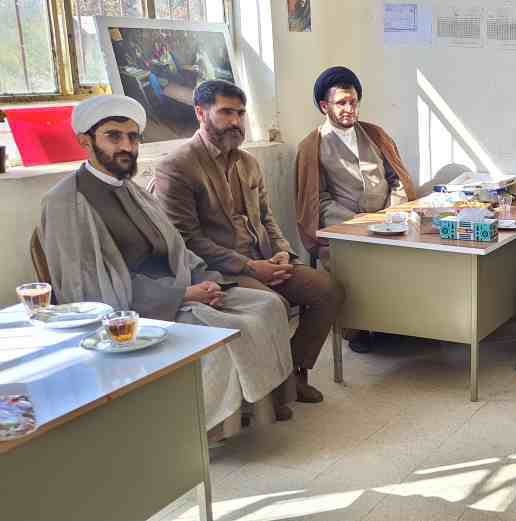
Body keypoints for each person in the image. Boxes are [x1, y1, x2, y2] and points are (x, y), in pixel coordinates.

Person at [38, 95, 296, 428]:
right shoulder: (65, 202)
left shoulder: (132, 190)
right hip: (134, 308)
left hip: (182, 286)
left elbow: (176, 248)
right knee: (228, 330)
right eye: (113, 136)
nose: (126, 146)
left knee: (267, 305)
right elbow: (85, 287)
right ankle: (209, 427)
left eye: (133, 137)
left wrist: (205, 280)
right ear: (84, 141)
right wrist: (182, 295)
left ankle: (256, 403)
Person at [152, 80, 344, 404]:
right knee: (274, 305)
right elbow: (188, 240)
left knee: (329, 290)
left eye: (240, 113)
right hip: (219, 270)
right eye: (226, 112)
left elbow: (267, 218)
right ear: (200, 113)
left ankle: (293, 372)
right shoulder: (177, 167)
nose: (236, 121)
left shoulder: (247, 162)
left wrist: (283, 252)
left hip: (265, 259)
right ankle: (271, 390)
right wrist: (251, 267)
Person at [294, 66, 416, 353]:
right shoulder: (311, 146)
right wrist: (361, 224)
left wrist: (392, 214)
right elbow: (317, 200)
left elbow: (397, 179)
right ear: (324, 106)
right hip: (343, 230)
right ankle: (357, 328)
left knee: (414, 256)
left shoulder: (375, 134)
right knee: (356, 266)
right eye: (341, 103)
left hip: (390, 221)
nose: (349, 109)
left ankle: (401, 325)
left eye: (353, 102)